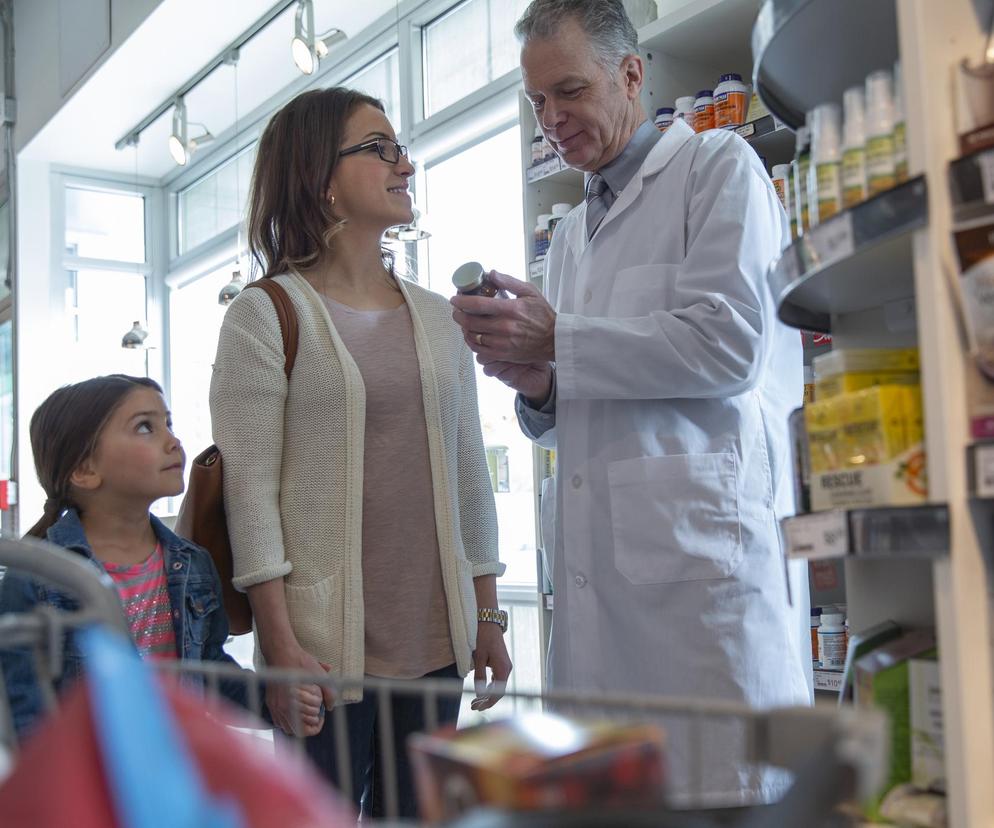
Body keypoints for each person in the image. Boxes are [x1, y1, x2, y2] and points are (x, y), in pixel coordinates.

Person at [450, 0, 811, 807]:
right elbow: (579, 392)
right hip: (601, 600)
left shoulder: (717, 167)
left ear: (633, 74)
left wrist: (559, 342)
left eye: (570, 91)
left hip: (698, 595)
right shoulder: (573, 232)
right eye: (537, 102)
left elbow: (731, 342)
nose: (553, 119)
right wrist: (536, 381)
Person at [209, 87, 511, 818]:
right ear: (321, 176)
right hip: (320, 653)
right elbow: (250, 493)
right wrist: (278, 646)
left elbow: (470, 473)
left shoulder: (438, 319)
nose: (404, 163)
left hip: (437, 645)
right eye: (379, 148)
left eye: (400, 147)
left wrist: (490, 616)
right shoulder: (265, 315)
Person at [0, 375, 266, 739]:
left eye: (167, 424)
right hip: (87, 779)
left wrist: (272, 700)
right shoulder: (35, 580)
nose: (174, 442)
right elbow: (23, 708)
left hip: (171, 769)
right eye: (145, 427)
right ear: (85, 470)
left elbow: (208, 672)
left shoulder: (193, 566)